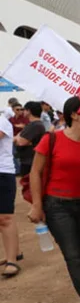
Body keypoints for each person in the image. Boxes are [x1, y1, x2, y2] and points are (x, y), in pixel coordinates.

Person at [28, 96, 80, 303]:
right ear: (73, 114)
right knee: (73, 255)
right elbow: (35, 172)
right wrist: (37, 205)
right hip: (58, 206)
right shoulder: (52, 139)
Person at [0, 108, 21, 278]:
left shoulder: (1, 121)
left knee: (5, 217)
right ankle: (14, 251)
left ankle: (12, 259)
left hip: (3, 173)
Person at [14, 101, 47, 177]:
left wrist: (18, 138)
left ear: (29, 111)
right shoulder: (31, 124)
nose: (22, 111)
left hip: (31, 161)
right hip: (27, 160)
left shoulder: (36, 125)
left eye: (24, 109)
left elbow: (21, 142)